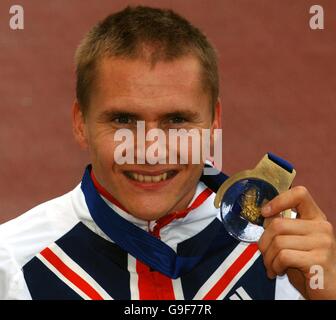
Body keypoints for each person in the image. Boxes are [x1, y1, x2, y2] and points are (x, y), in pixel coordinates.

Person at [0, 5, 335, 300]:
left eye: (176, 120)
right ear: (80, 122)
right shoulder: (14, 264)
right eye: (123, 119)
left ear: (213, 122)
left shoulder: (282, 251)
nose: (150, 150)